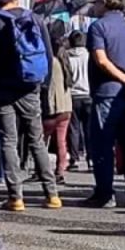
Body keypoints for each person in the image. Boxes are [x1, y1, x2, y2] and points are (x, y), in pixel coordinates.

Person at [0, 0, 62, 212]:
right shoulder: (34, 19)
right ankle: (52, 194)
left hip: (3, 90)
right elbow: (49, 55)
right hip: (31, 86)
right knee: (36, 140)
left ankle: (16, 197)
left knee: (8, 141)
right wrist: (42, 85)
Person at [82, 0, 125, 208]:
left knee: (102, 145)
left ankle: (105, 193)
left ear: (104, 3)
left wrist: (123, 78)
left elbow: (101, 59)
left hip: (106, 92)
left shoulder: (98, 27)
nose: (94, 7)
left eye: (96, 3)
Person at [43, 29, 73, 186]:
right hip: (66, 106)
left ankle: (42, 169)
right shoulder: (64, 60)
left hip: (53, 107)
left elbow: (49, 87)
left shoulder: (51, 62)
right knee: (61, 140)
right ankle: (61, 169)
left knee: (41, 140)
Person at [65, 31, 90, 171]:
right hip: (88, 94)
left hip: (72, 95)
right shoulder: (89, 55)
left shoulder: (67, 56)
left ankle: (74, 159)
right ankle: (91, 159)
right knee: (89, 130)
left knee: (73, 129)